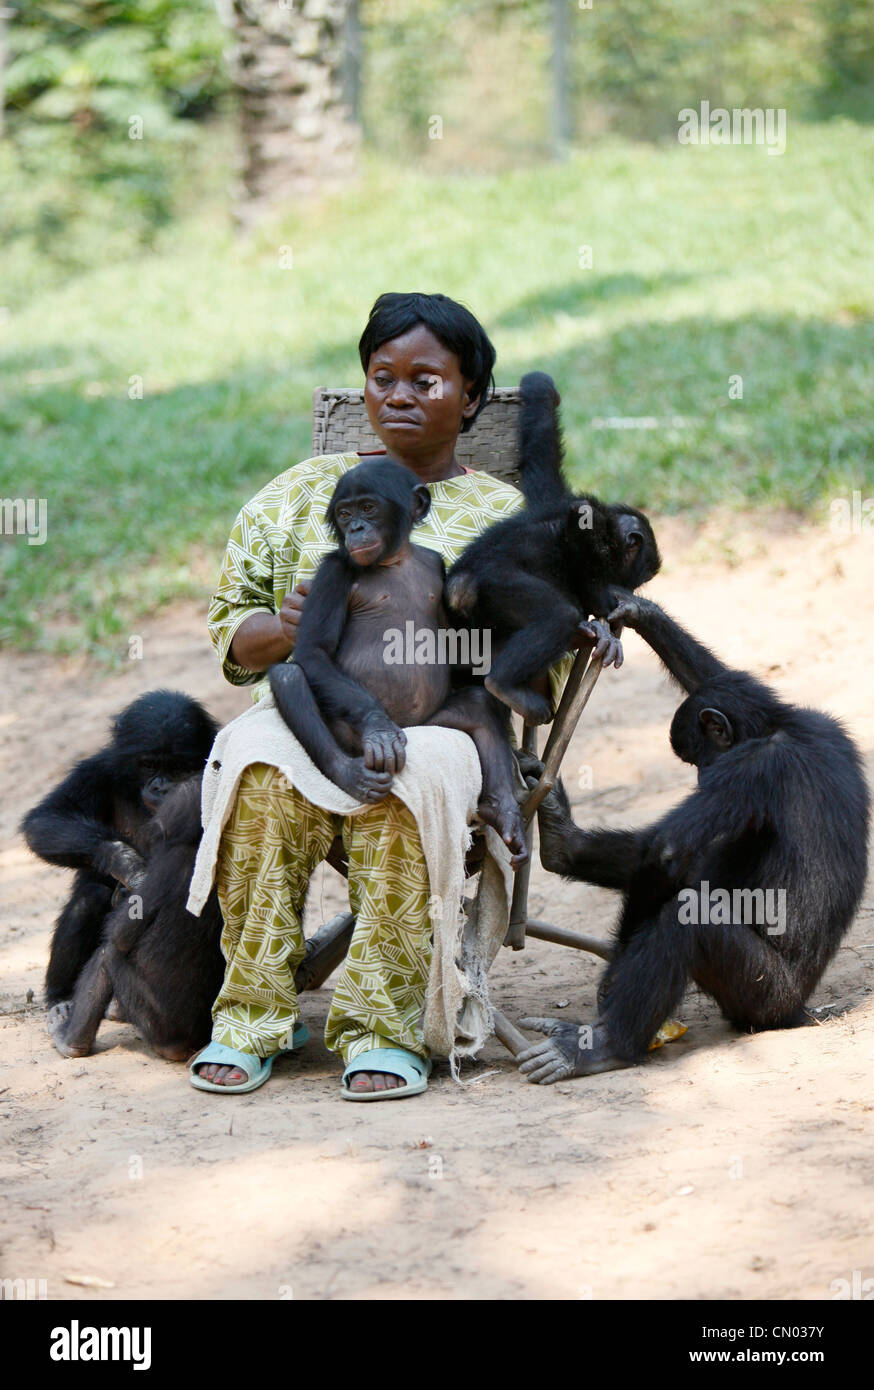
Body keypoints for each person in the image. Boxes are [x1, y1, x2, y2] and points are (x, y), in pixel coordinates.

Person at [190, 291, 548, 1099]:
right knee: (256, 771)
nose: (397, 395)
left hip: (446, 717)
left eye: (425, 380)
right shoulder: (297, 494)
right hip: (308, 709)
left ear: (472, 397)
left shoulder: (503, 515)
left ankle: (382, 1026)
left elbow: (534, 655)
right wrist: (280, 630)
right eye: (381, 377)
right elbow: (231, 632)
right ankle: (250, 1015)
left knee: (404, 776)